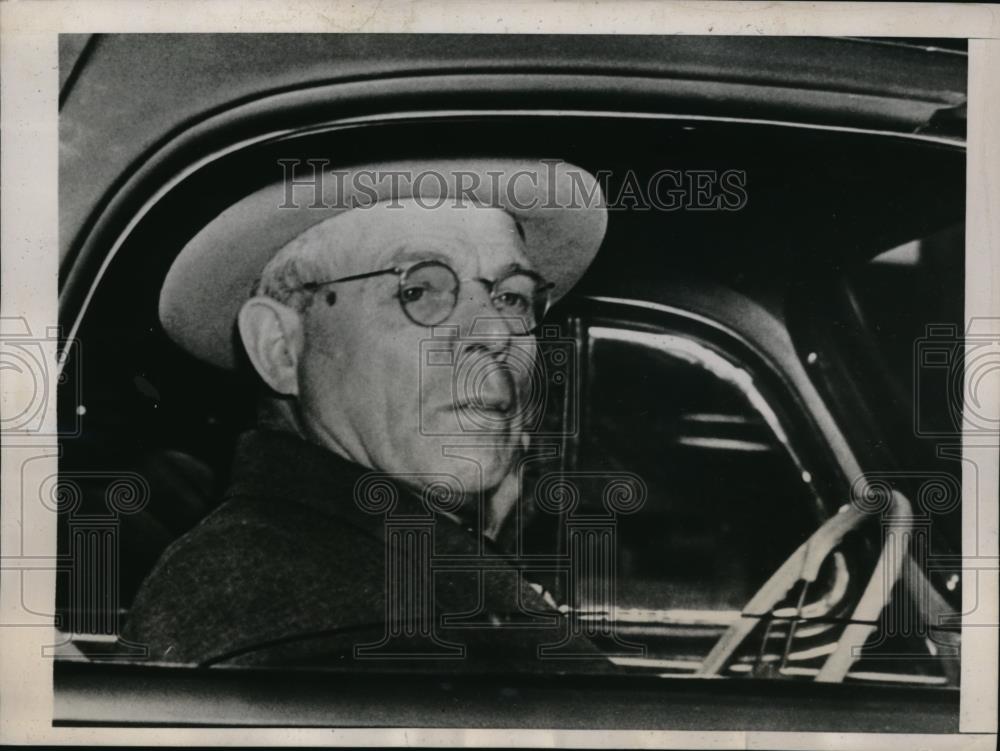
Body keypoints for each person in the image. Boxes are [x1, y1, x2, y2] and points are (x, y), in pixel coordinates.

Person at [121, 159, 608, 667]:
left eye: (512, 297)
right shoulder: (280, 605)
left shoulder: (367, 559)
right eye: (418, 291)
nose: (496, 333)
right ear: (281, 349)